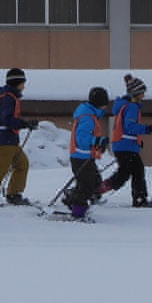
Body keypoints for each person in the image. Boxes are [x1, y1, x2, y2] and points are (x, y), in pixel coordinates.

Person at [0, 67, 36, 206]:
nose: (24, 86)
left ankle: (14, 194)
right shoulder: (8, 99)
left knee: (22, 164)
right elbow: (7, 120)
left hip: (8, 139)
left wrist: (24, 124)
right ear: (17, 83)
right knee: (0, 169)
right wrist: (25, 124)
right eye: (23, 82)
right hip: (3, 140)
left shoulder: (8, 97)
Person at [102, 74, 152, 206]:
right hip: (125, 145)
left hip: (123, 144)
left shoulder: (124, 105)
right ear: (136, 93)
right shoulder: (132, 107)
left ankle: (98, 191)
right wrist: (148, 129)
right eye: (142, 92)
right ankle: (139, 199)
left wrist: (137, 140)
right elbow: (130, 126)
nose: (144, 95)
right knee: (132, 172)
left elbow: (126, 128)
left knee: (127, 172)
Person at [61, 86, 112, 219]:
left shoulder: (90, 115)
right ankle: (78, 212)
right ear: (100, 104)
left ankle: (71, 198)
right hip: (80, 156)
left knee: (94, 181)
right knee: (87, 185)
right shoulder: (88, 118)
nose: (106, 107)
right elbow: (82, 139)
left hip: (84, 156)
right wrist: (97, 140)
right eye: (104, 104)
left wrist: (98, 143)